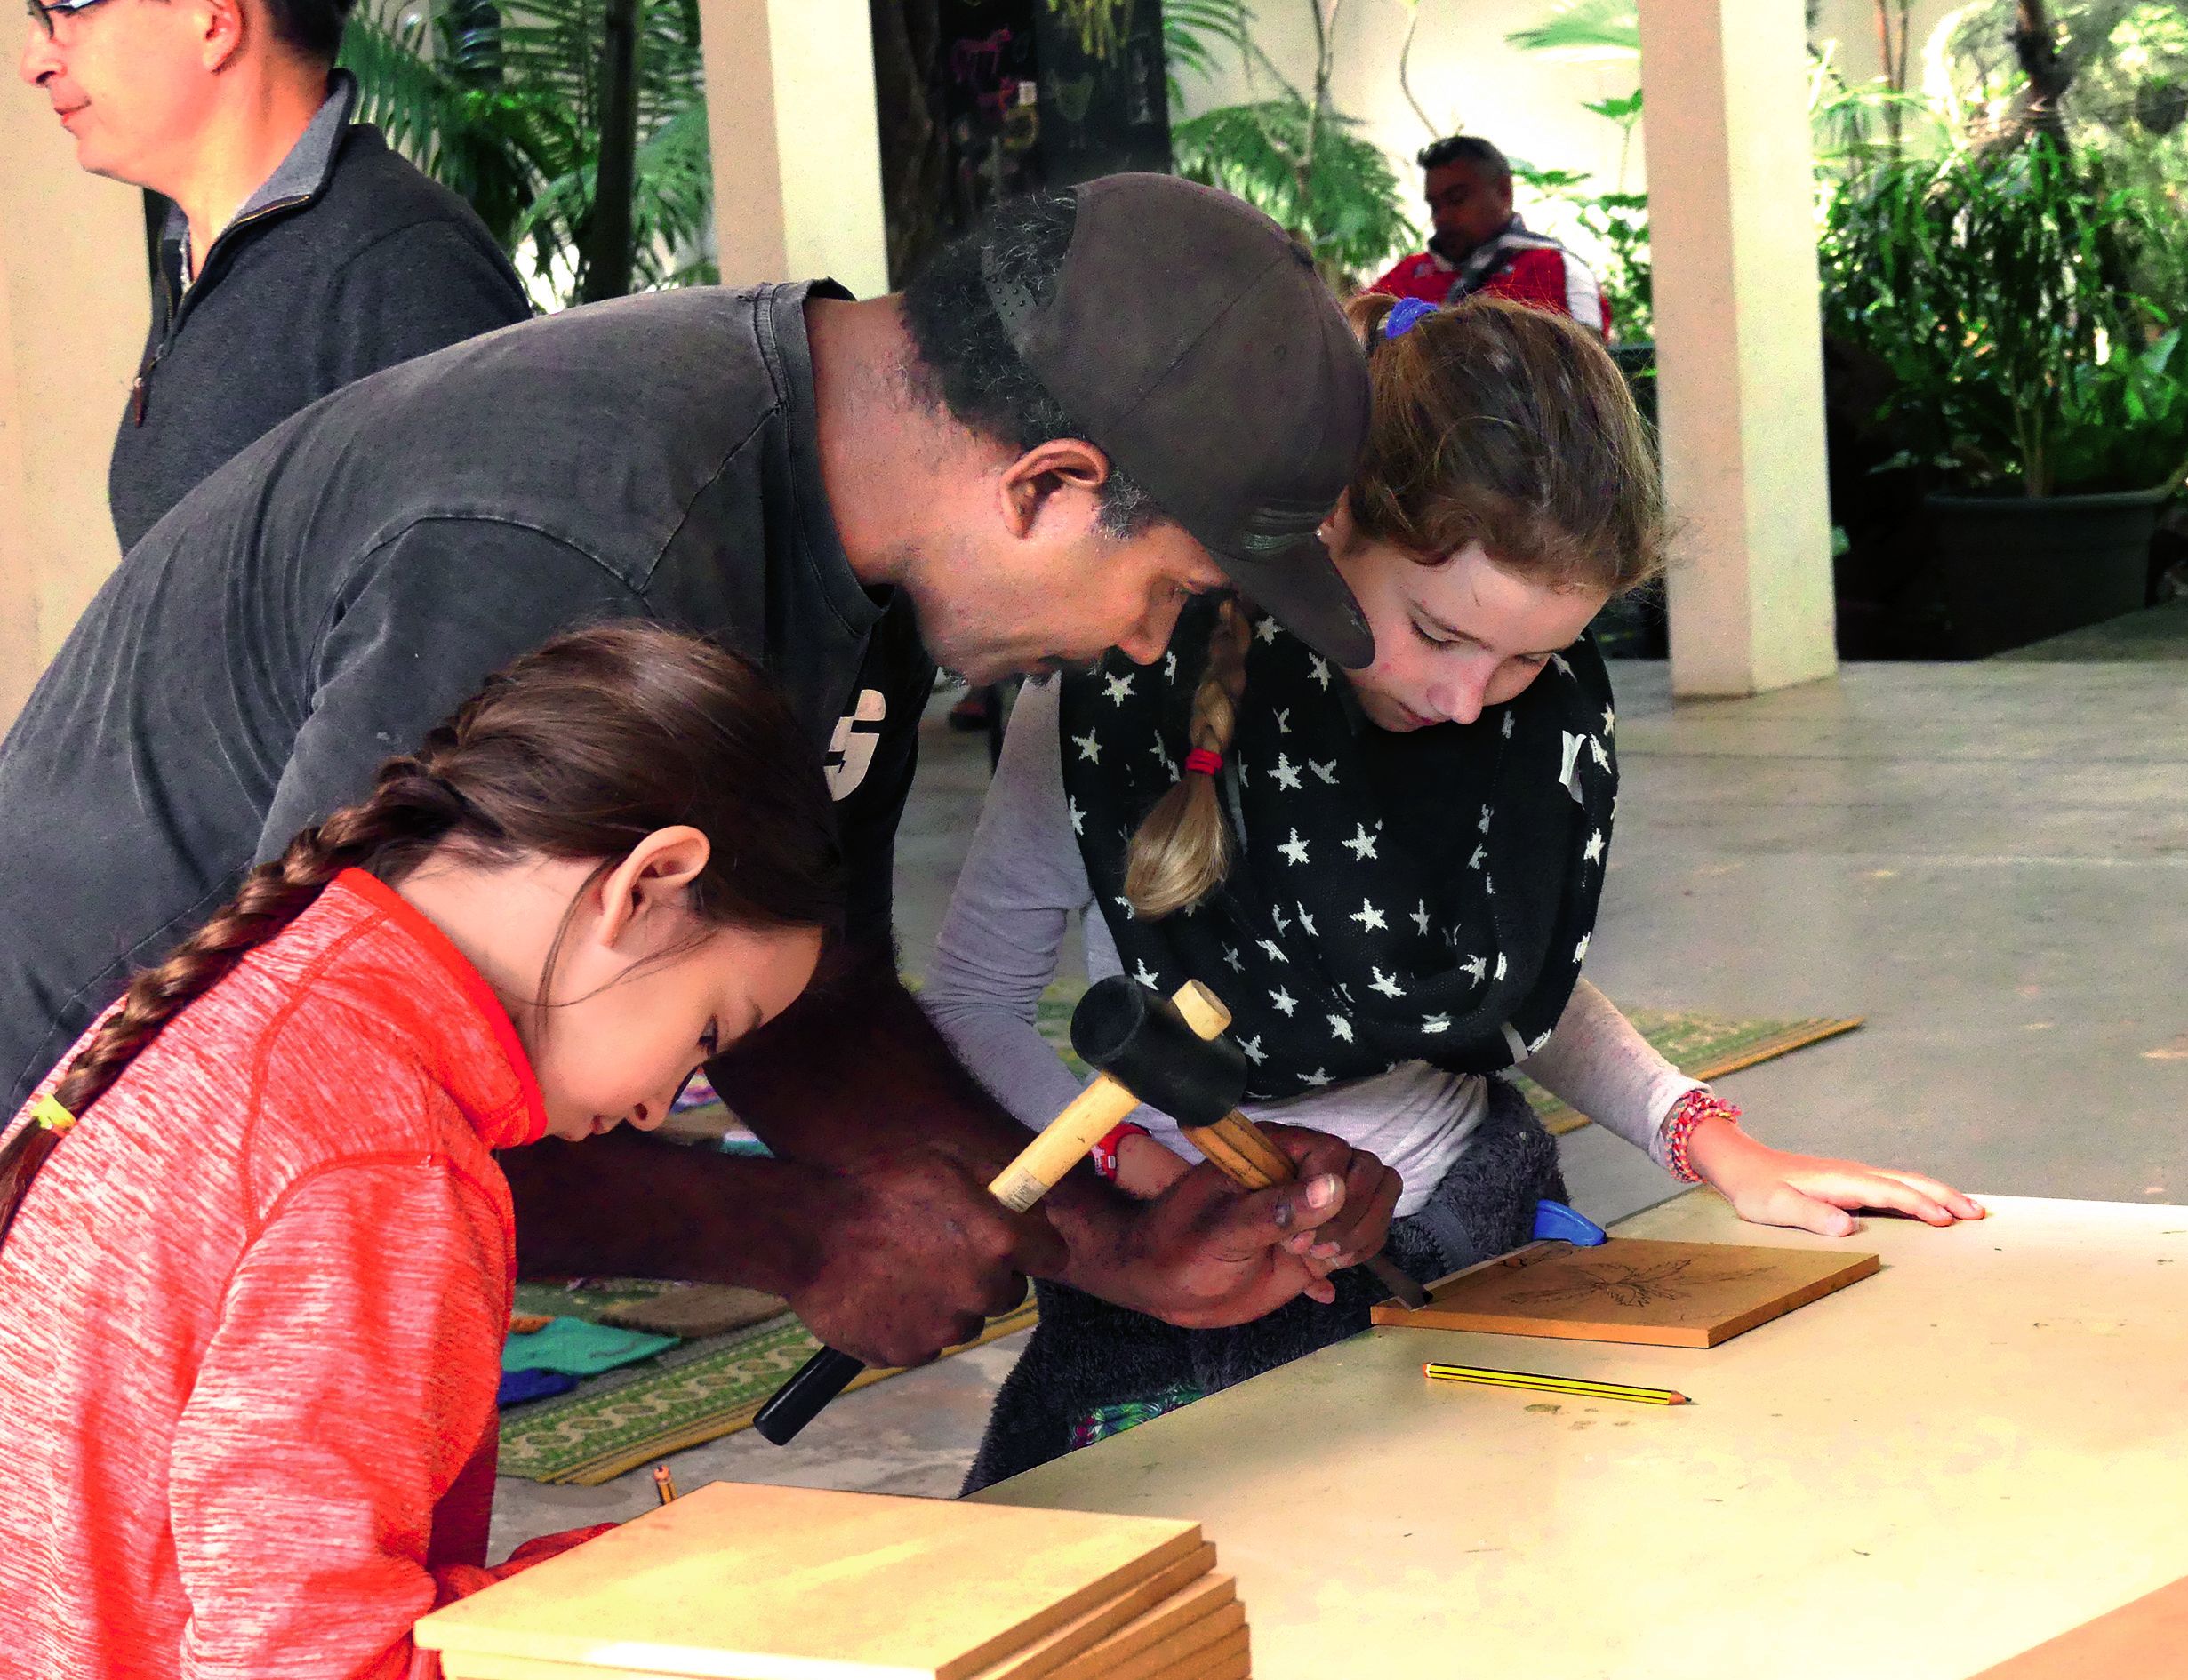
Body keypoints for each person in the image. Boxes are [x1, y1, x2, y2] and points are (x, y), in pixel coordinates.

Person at [0, 175, 1399, 1376]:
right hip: (74, 1183)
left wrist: (1105, 1236)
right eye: (1166, 591)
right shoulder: (590, 547)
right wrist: (793, 1231)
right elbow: (361, 1083)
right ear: (1045, 485)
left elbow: (797, 979)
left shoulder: (868, 521)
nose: (1140, 643)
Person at [922, 294, 1983, 1487]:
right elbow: (972, 1004)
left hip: (1479, 1225)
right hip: (1181, 1276)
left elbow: (1509, 983)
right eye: (1436, 631)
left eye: (1528, 656)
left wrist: (1711, 1138)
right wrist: (1152, 1189)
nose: (1469, 698)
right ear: (1335, 524)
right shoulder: (1110, 698)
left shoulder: (1529, 723)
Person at [0, 625, 846, 1676]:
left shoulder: (272, 991)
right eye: (710, 1031)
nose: (660, 1104)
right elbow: (312, 1658)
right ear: (649, 882)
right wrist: (653, 1593)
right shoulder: (384, 1162)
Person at [19, 0, 530, 551]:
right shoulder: (198, 252)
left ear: (214, 22)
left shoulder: (400, 267)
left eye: (63, 10)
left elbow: (482, 605)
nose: (34, 62)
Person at [1369, 135, 1609, 340]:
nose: (1442, 217)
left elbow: (1587, 374)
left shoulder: (1554, 269)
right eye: (1435, 206)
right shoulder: (1407, 276)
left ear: (1504, 192)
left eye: (1457, 199)